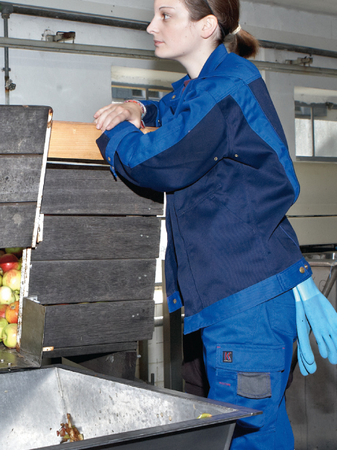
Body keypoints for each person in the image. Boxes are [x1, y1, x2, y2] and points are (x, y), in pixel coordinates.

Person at [93, 0, 337, 448]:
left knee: (244, 431)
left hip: (245, 298)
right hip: (242, 293)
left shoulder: (224, 89)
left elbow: (158, 160)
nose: (151, 26)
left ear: (206, 26)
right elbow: (173, 107)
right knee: (258, 425)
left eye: (165, 15)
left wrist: (114, 134)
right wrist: (137, 108)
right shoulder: (208, 85)